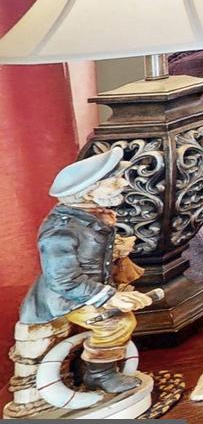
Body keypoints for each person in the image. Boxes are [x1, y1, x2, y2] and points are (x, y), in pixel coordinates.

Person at [19, 150, 157, 395]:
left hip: (88, 290)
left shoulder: (89, 215)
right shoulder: (60, 231)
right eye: (112, 182)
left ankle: (89, 367)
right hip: (65, 300)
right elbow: (63, 280)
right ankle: (99, 375)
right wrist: (109, 297)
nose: (123, 184)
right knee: (116, 323)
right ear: (89, 192)